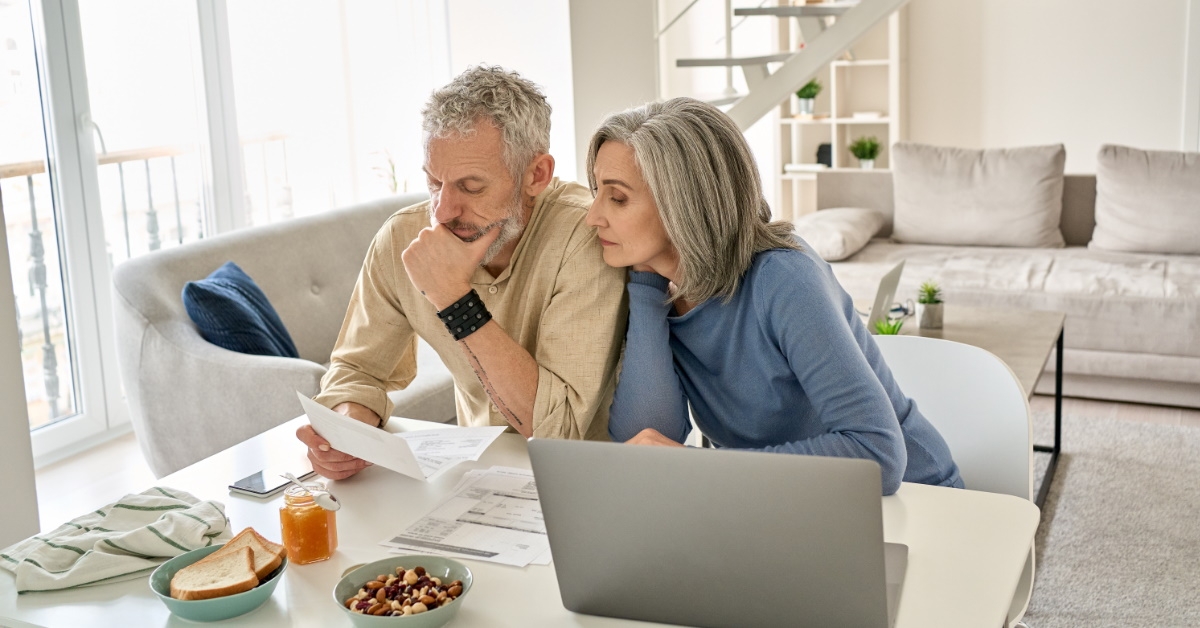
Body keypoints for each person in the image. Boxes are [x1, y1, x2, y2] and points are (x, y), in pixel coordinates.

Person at [585, 97, 961, 495]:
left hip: (913, 501)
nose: (593, 215)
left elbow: (877, 454)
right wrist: (646, 288)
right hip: (783, 502)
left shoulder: (783, 277)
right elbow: (645, 441)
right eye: (596, 191)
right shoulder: (661, 286)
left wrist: (702, 465)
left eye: (618, 198)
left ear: (683, 203)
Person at [297, 66, 627, 480]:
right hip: (475, 478)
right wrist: (349, 428)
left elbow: (555, 430)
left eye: (471, 187)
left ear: (536, 175)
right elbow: (358, 370)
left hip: (586, 480)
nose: (443, 211)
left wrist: (455, 301)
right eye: (435, 182)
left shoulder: (586, 237)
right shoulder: (403, 236)